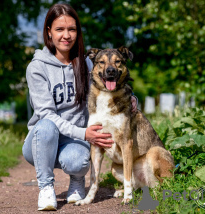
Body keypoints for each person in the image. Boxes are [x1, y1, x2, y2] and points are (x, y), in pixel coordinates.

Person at [22, 3, 137, 211]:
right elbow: (46, 114)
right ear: (49, 32)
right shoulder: (37, 67)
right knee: (47, 125)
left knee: (79, 160)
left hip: (74, 142)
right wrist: (85, 133)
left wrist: (131, 97)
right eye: (59, 29)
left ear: (78, 32)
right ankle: (46, 187)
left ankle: (77, 181)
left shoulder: (87, 64)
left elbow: (112, 78)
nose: (66, 35)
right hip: (41, 141)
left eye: (72, 29)